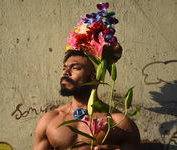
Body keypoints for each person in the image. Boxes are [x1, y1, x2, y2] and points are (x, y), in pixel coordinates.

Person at [34, 2, 140, 149]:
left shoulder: (119, 123)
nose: (65, 72)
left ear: (94, 76)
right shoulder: (50, 119)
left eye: (75, 68)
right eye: (64, 68)